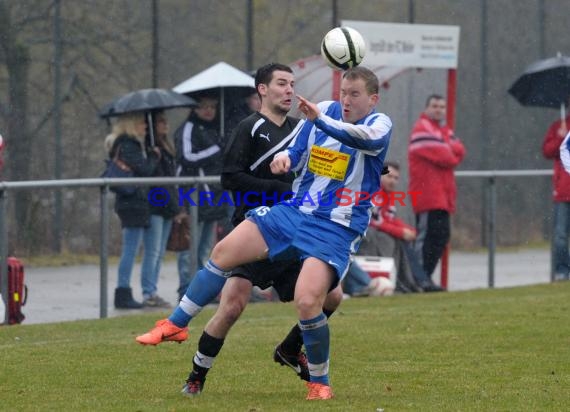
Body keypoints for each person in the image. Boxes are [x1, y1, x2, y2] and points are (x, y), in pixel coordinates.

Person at [138, 66, 392, 400]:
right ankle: (176, 324)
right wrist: (287, 157)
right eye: (343, 92)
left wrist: (319, 122)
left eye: (354, 94)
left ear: (372, 99)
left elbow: (358, 138)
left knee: (309, 300)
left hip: (335, 224)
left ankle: (319, 382)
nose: (345, 99)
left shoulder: (378, 123)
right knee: (223, 255)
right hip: (296, 209)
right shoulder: (318, 113)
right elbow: (299, 148)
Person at [174, 94, 229, 298]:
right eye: (203, 107)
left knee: (205, 247)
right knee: (190, 245)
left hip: (213, 195)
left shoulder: (215, 129)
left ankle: (198, 290)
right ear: (194, 109)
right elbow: (187, 157)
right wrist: (216, 149)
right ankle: (185, 288)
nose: (208, 111)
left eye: (212, 107)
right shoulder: (187, 128)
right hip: (192, 195)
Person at [103, 112, 161, 309]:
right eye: (142, 123)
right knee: (130, 249)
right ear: (132, 125)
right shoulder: (128, 144)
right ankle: (123, 291)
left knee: (131, 249)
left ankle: (124, 291)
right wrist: (153, 156)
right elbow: (144, 170)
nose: (146, 126)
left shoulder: (130, 144)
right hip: (132, 203)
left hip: (134, 202)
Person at [408, 94, 465, 288]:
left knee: (441, 236)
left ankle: (426, 278)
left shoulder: (443, 130)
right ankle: (418, 279)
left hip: (443, 195)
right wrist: (448, 147)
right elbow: (448, 156)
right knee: (426, 237)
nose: (439, 109)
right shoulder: (421, 128)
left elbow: (460, 151)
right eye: (434, 106)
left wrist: (447, 147)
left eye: (442, 106)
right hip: (427, 194)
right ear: (426, 108)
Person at [359, 161, 442, 292]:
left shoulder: (388, 195)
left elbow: (390, 219)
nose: (392, 181)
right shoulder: (373, 192)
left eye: (396, 178)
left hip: (377, 230)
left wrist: (407, 230)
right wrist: (401, 232)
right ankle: (415, 282)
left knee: (403, 240)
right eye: (389, 176)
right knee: (392, 239)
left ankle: (416, 281)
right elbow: (376, 221)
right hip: (366, 231)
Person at [139, 111, 179, 307]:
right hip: (155, 205)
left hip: (168, 206)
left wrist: (176, 205)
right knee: (152, 251)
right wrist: (154, 156)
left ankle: (152, 290)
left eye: (166, 121)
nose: (166, 124)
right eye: (161, 121)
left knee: (160, 251)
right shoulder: (149, 147)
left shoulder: (166, 146)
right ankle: (148, 292)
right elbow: (152, 176)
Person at [543, 112, 570, 281]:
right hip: (563, 191)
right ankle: (562, 271)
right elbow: (547, 151)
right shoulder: (559, 126)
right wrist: (560, 138)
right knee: (560, 236)